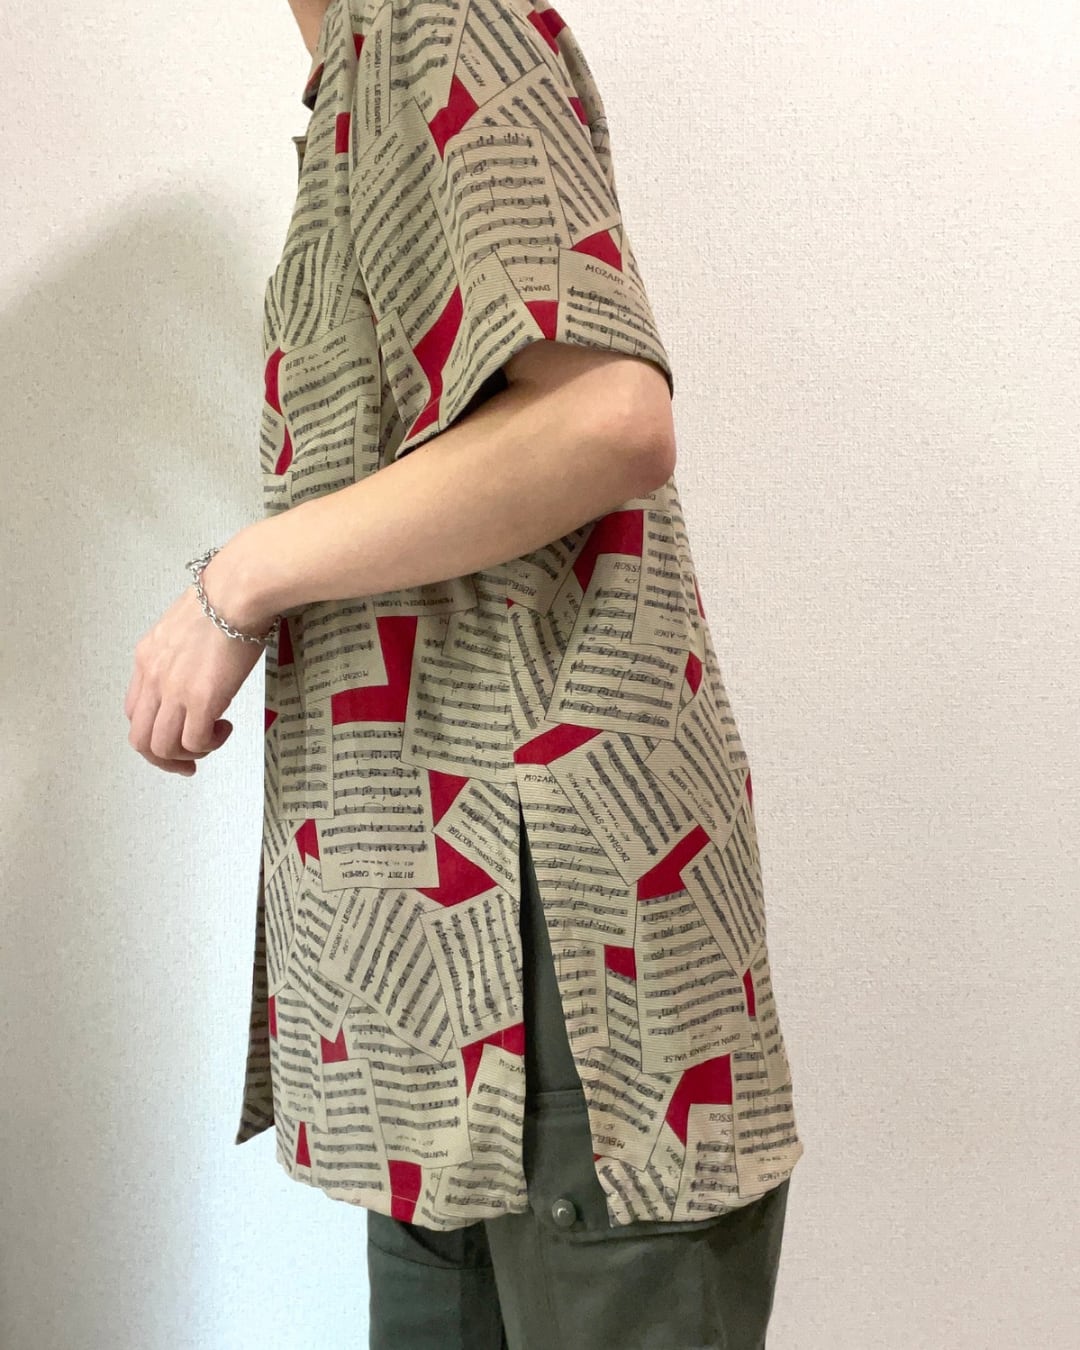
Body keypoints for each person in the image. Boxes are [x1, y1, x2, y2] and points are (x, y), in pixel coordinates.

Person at [125, 1, 805, 1344]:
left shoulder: (435, 20)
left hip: (557, 960)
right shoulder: (355, 71)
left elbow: (607, 413)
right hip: (438, 981)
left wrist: (239, 581)